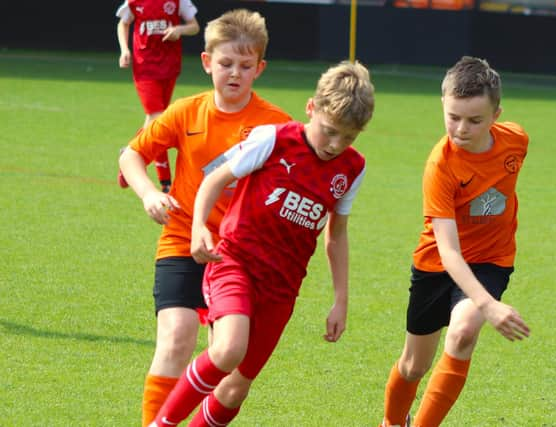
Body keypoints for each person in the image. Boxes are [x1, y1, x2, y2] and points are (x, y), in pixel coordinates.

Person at [148, 60, 375, 427]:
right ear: (311, 108)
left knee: (235, 388)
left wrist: (340, 302)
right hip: (234, 262)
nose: (336, 145)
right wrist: (198, 230)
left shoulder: (353, 168)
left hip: (282, 287)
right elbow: (213, 180)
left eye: (348, 137)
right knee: (228, 349)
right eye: (329, 131)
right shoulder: (274, 139)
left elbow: (337, 234)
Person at [118, 9, 291, 426]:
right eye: (226, 63)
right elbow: (131, 155)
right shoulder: (185, 112)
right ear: (206, 62)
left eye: (245, 66)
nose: (234, 73)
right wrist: (148, 195)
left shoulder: (277, 126)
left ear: (260, 69)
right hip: (182, 240)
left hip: (238, 255)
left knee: (229, 368)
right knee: (176, 337)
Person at [379, 56, 531, 427]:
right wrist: (489, 306)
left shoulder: (517, 141)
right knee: (414, 366)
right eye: (453, 117)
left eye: (475, 120)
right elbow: (448, 250)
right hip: (437, 263)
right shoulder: (441, 166)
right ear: (443, 105)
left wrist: (481, 301)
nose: (461, 129)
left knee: (463, 334)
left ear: (497, 114)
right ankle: (391, 422)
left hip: (490, 260)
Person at [116, 0, 200, 193]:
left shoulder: (179, 2)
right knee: (157, 118)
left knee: (155, 121)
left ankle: (154, 174)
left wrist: (179, 30)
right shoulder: (135, 2)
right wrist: (124, 49)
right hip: (144, 67)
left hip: (169, 67)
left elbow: (194, 26)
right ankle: (138, 161)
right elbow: (123, 22)